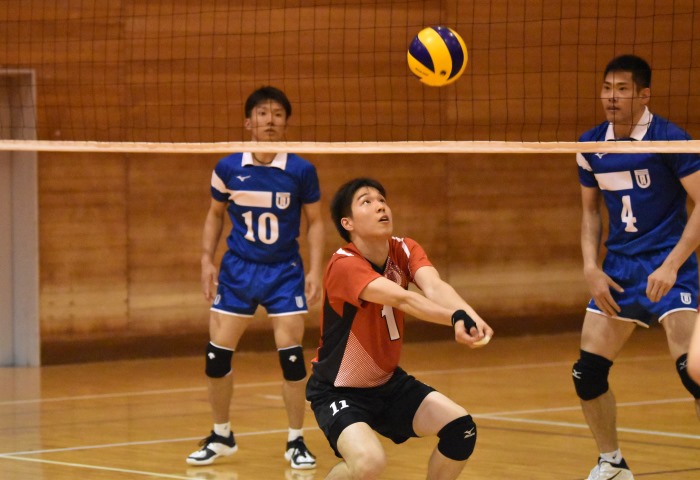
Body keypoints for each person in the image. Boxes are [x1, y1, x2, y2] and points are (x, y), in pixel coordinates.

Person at [306, 177, 494, 480]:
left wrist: (470, 316)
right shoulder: (344, 264)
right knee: (369, 463)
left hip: (388, 383)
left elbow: (434, 286)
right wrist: (454, 317)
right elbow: (404, 299)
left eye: (382, 200)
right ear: (347, 223)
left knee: (461, 428)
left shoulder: (404, 248)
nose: (380, 206)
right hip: (337, 391)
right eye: (367, 202)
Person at [574, 54, 700, 480]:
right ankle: (611, 463)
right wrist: (591, 267)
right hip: (619, 269)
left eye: (622, 89)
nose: (612, 97)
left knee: (693, 373)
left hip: (670, 267)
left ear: (644, 95)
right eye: (607, 88)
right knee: (586, 374)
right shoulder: (591, 145)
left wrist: (672, 265)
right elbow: (590, 213)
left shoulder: (670, 140)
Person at [187, 86, 324, 470]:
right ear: (248, 122)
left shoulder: (301, 170)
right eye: (262, 114)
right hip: (238, 270)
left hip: (284, 272)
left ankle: (296, 441)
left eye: (278, 114)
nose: (270, 120)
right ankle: (221, 435)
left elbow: (315, 222)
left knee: (292, 358)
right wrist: (206, 259)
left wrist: (315, 269)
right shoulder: (228, 168)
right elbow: (215, 214)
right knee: (216, 357)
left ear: (286, 123)